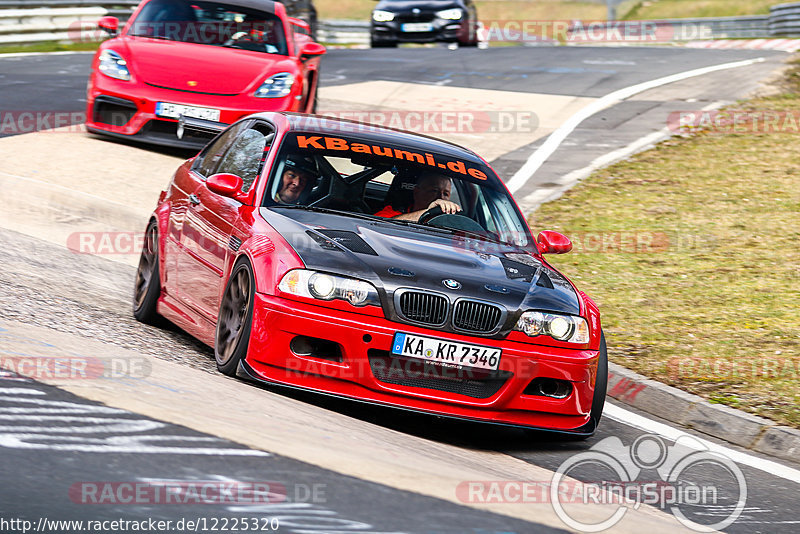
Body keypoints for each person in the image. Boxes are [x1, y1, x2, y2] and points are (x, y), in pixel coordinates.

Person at [375, 170, 461, 221]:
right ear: (416, 192)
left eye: (446, 194)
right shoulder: (393, 212)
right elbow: (376, 225)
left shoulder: (451, 221)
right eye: (434, 191)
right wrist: (428, 212)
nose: (441, 198)